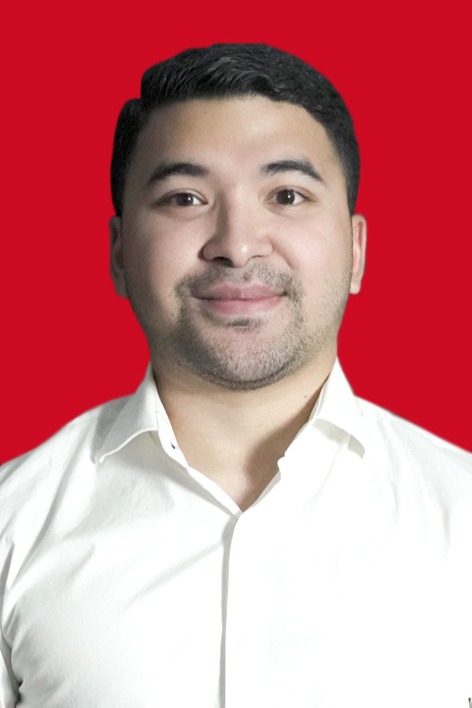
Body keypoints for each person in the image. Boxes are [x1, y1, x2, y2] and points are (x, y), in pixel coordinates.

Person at [0, 43, 471, 708]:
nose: (238, 243)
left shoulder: (461, 518)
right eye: (185, 197)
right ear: (119, 254)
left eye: (287, 195)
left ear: (357, 250)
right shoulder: (13, 525)